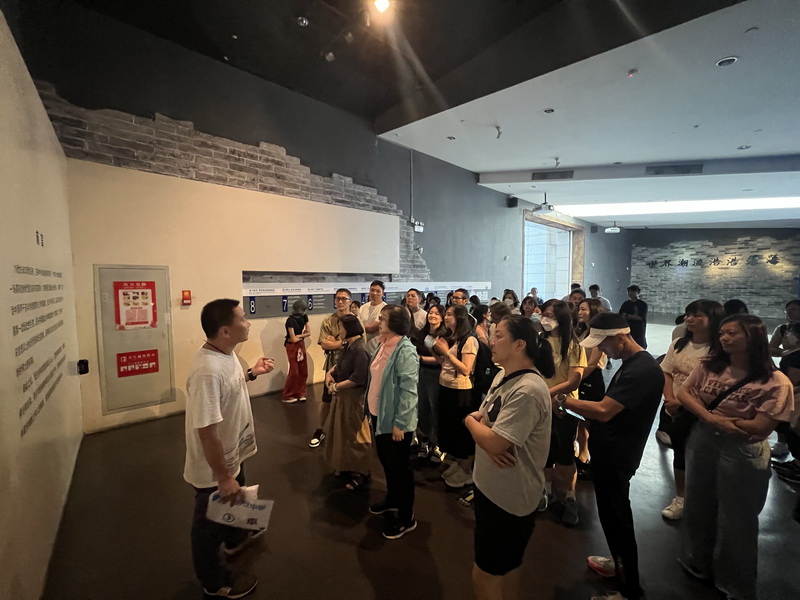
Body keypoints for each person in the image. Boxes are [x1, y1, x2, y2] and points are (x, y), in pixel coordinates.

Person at [677, 314, 794, 600]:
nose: (725, 339)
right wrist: (712, 418)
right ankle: (700, 563)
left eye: (732, 333)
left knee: (738, 519)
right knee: (698, 505)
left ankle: (736, 585)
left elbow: (760, 427)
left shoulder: (776, 381)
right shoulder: (709, 365)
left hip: (743, 450)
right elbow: (685, 392)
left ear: (753, 337)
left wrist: (715, 418)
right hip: (704, 439)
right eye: (722, 334)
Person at [562, 312, 664, 600]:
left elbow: (605, 410)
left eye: (603, 343)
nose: (601, 350)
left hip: (619, 456)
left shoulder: (641, 369)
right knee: (611, 516)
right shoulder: (630, 363)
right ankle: (619, 564)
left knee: (618, 519)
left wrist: (565, 401)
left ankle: (628, 588)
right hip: (609, 451)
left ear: (621, 337)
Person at [184, 299, 275, 599]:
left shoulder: (226, 353)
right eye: (242, 319)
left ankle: (235, 539)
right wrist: (222, 477)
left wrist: (252, 373)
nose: (248, 323)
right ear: (225, 330)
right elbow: (207, 431)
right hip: (214, 467)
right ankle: (214, 581)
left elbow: (230, 386)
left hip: (232, 454)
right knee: (207, 526)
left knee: (237, 496)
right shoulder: (207, 371)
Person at [465, 315, 555, 600]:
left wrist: (469, 422)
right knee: (506, 568)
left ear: (519, 345)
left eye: (499, 335)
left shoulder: (528, 390)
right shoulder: (503, 375)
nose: (491, 341)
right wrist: (484, 432)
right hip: (491, 487)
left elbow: (494, 440)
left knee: (486, 574)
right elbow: (485, 417)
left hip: (508, 497)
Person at [658, 300, 725, 521]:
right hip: (674, 408)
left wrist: (683, 403)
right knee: (680, 452)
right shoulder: (679, 344)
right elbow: (667, 372)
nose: (689, 319)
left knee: (705, 456)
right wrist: (670, 399)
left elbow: (717, 385)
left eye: (697, 315)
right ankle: (681, 497)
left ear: (713, 320)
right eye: (688, 314)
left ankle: (705, 500)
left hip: (702, 410)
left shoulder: (720, 350)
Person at [366, 305, 420, 539]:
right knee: (388, 463)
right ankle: (392, 499)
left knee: (400, 469)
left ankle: (407, 518)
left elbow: (409, 390)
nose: (379, 321)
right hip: (379, 416)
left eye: (384, 318)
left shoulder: (405, 350)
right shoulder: (383, 344)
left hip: (395, 423)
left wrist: (401, 423)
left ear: (396, 323)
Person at [539, 299, 586, 525]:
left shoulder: (574, 346)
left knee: (565, 453)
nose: (545, 319)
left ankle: (570, 496)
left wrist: (549, 395)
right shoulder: (540, 341)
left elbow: (573, 381)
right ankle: (546, 490)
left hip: (564, 406)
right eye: (544, 314)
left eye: (550, 315)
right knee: (544, 451)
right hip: (542, 404)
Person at [323, 314, 372, 490]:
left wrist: (336, 386)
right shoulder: (349, 346)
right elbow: (340, 365)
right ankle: (346, 466)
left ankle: (361, 472)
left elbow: (359, 378)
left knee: (356, 435)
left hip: (354, 398)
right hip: (344, 397)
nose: (339, 331)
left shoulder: (360, 350)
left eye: (341, 328)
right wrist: (330, 373)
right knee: (343, 434)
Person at [434, 305, 478, 488]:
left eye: (449, 315)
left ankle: (466, 469)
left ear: (460, 318)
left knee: (461, 431)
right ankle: (458, 464)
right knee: (449, 427)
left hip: (461, 390)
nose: (445, 317)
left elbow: (466, 369)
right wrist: (438, 351)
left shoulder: (469, 340)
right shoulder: (454, 338)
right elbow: (445, 363)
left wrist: (445, 352)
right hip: (446, 386)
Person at [310, 288, 354, 448]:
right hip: (332, 366)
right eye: (337, 298)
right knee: (326, 399)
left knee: (350, 400)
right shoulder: (328, 321)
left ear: (350, 301)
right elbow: (324, 344)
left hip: (350, 366)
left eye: (344, 299)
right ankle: (320, 430)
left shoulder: (355, 321)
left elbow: (356, 344)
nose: (340, 301)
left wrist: (334, 342)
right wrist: (342, 342)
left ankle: (349, 433)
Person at [574, 299, 608, 472]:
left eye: (583, 309)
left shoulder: (598, 334)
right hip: (581, 376)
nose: (580, 312)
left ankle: (589, 458)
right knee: (579, 420)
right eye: (579, 309)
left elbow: (593, 363)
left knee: (588, 421)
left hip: (590, 378)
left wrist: (576, 379)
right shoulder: (583, 331)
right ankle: (582, 454)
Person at [770, 299, 800, 476]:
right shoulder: (782, 329)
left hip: (796, 378)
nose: (790, 313)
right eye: (788, 310)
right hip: (788, 375)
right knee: (785, 414)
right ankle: (784, 445)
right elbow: (771, 348)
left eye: (794, 309)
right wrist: (787, 353)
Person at [415, 303, 447, 463]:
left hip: (437, 374)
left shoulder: (445, 335)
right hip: (422, 373)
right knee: (422, 408)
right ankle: (425, 440)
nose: (432, 316)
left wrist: (421, 359)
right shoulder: (421, 333)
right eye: (431, 313)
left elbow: (443, 359)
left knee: (435, 408)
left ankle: (437, 444)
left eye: (436, 313)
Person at [281, 299, 311, 404]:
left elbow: (308, 333)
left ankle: (300, 393)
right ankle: (288, 395)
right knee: (294, 371)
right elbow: (293, 339)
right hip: (292, 346)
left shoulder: (304, 317)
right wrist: (302, 335)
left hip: (300, 344)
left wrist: (299, 336)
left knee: (303, 369)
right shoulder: (290, 320)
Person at [360, 280, 387, 354]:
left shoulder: (385, 309)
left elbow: (372, 328)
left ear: (382, 293)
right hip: (362, 348)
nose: (374, 293)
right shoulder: (363, 307)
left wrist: (361, 326)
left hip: (376, 349)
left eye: (378, 291)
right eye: (372, 290)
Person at [619, 285, 648, 349]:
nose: (630, 293)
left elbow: (641, 318)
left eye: (632, 291)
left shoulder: (642, 304)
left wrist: (627, 315)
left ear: (638, 292)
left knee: (639, 345)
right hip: (627, 328)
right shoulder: (625, 304)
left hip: (638, 329)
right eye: (628, 291)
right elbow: (621, 315)